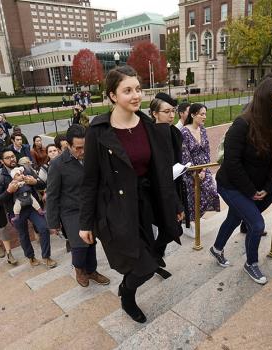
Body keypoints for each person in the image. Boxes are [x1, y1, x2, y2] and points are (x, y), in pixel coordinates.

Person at [78, 66, 183, 323]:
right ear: (113, 95)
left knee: (154, 257)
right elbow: (90, 180)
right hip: (115, 209)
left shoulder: (149, 126)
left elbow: (161, 173)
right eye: (128, 91)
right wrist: (85, 223)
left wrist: (175, 204)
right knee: (143, 266)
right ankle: (127, 295)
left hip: (145, 204)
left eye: (138, 89)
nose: (136, 95)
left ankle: (127, 288)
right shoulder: (99, 131)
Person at [210, 78, 272, 284]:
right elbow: (232, 163)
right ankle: (251, 263)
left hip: (258, 187)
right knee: (256, 224)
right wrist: (251, 190)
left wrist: (267, 187)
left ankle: (216, 249)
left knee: (234, 218)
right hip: (231, 185)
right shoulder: (242, 123)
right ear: (263, 99)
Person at [46, 125, 110, 287]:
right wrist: (53, 222)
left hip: (91, 208)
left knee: (92, 241)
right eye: (78, 148)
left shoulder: (91, 157)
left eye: (85, 147)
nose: (83, 151)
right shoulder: (58, 164)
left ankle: (92, 270)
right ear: (68, 145)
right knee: (80, 244)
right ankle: (80, 269)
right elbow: (52, 195)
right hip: (71, 211)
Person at [0, 149, 56, 268]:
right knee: (23, 235)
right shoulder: (0, 176)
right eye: (7, 157)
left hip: (33, 207)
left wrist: (34, 182)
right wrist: (8, 191)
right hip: (16, 211)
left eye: (12, 156)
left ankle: (46, 257)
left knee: (43, 228)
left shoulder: (25, 169)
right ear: (2, 161)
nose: (11, 159)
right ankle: (31, 257)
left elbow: (42, 184)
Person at [149, 92, 188, 269]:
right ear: (154, 113)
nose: (171, 115)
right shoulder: (154, 134)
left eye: (173, 111)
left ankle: (156, 253)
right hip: (160, 189)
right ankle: (154, 254)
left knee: (171, 225)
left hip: (174, 183)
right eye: (166, 111)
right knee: (172, 226)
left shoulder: (171, 131)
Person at [180, 103, 221, 236]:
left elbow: (207, 150)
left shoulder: (202, 129)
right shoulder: (184, 132)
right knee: (192, 199)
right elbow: (185, 155)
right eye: (201, 114)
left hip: (203, 169)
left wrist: (203, 170)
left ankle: (192, 218)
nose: (204, 117)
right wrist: (194, 172)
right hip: (190, 171)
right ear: (192, 115)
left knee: (212, 192)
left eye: (205, 114)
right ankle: (189, 222)